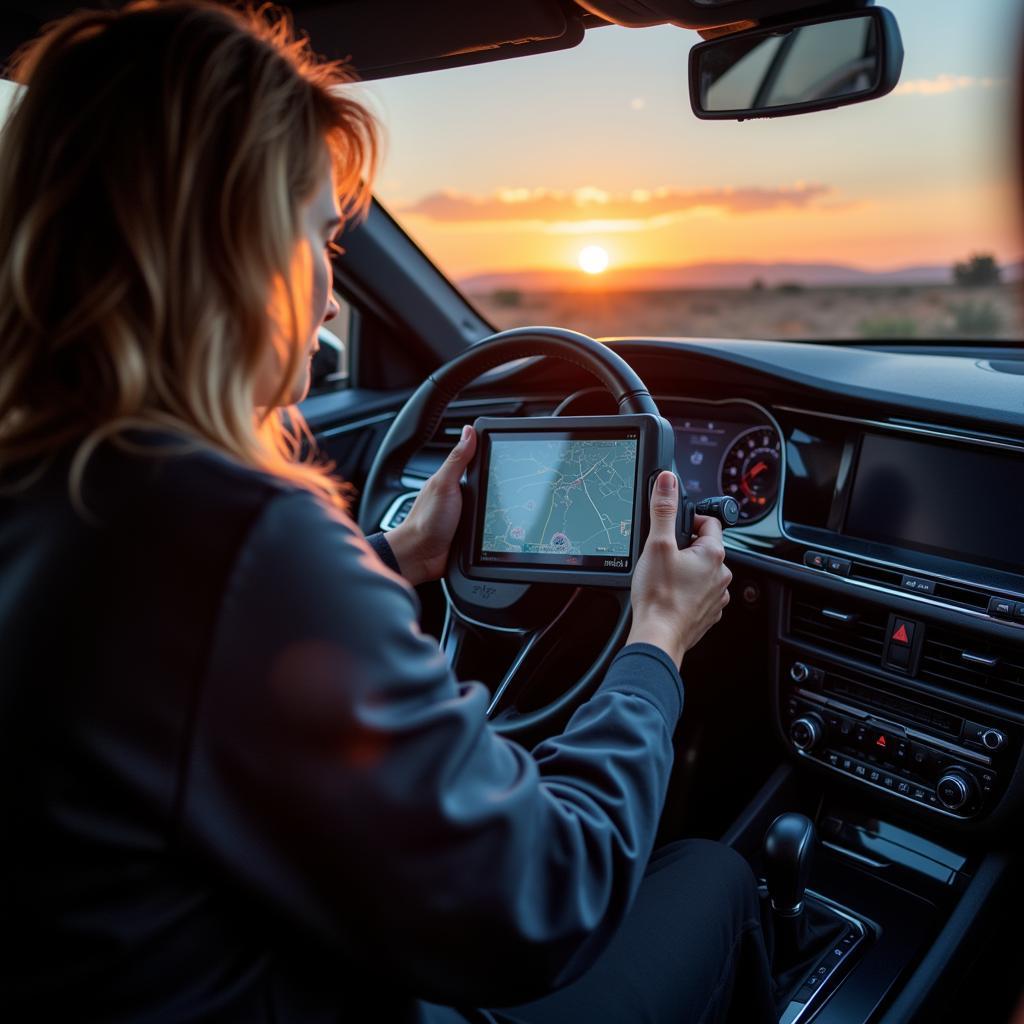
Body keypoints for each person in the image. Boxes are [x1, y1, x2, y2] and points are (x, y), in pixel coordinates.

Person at [0, 3, 776, 1022]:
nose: (330, 299)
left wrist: (388, 559)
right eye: (322, 237)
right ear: (233, 246)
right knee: (713, 877)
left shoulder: (55, 485)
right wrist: (655, 645)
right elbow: (547, 900)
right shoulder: (232, 533)